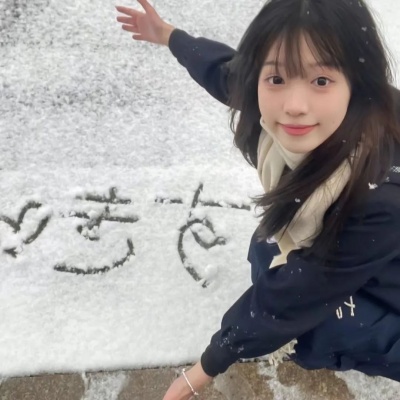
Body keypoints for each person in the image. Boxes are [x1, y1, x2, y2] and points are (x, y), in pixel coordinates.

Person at [116, 0, 400, 398]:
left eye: (321, 81)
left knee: (317, 323)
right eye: (277, 78)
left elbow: (290, 299)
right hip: (364, 246)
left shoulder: (381, 195)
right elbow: (224, 72)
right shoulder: (265, 101)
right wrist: (168, 36)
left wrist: (205, 368)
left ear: (357, 83)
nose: (294, 106)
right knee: (268, 254)